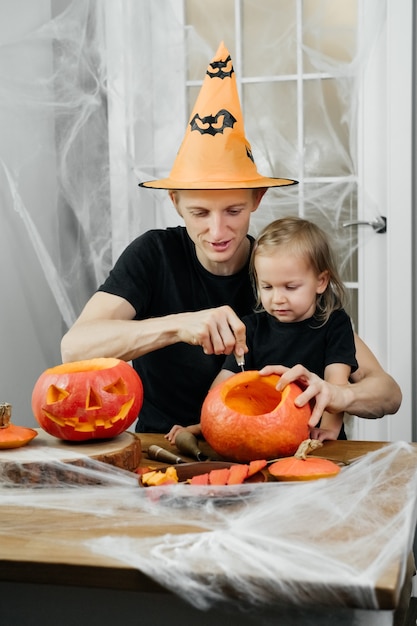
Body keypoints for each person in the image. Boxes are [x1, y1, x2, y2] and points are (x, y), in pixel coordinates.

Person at [60, 42, 401, 436]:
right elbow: (75, 348)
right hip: (169, 446)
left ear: (258, 198)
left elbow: (387, 394)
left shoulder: (278, 270)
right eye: (200, 213)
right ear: (175, 202)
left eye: (234, 212)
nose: (218, 232)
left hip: (275, 450)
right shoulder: (154, 254)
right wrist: (178, 326)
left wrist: (339, 397)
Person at [204, 216, 358, 442]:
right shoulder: (252, 327)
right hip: (261, 437)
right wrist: (204, 424)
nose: (277, 299)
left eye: (290, 287)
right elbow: (225, 384)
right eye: (267, 287)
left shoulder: (336, 325)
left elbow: (335, 385)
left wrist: (328, 431)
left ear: (321, 281)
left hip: (317, 439)